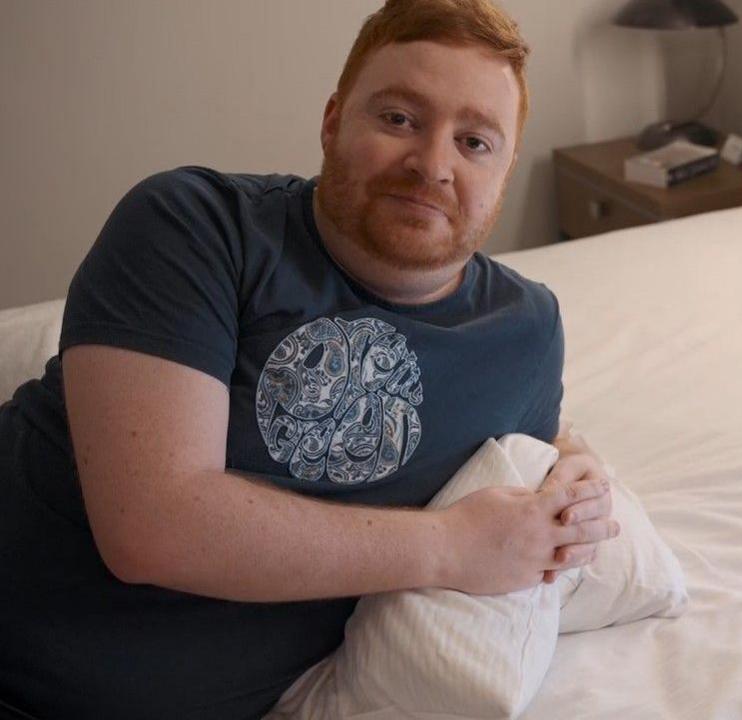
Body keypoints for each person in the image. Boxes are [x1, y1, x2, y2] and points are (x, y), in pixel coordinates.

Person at [0, 1, 617, 717]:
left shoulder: (525, 330)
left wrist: (579, 469)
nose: (432, 165)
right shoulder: (192, 227)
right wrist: (448, 546)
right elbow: (154, 525)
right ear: (332, 122)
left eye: (475, 142)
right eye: (399, 119)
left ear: (506, 171)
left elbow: (529, 447)